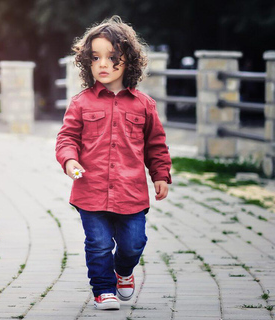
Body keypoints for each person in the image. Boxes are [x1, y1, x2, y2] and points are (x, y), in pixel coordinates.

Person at [55, 16, 171, 310]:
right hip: (90, 192)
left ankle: (123, 271)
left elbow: (155, 144)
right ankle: (103, 290)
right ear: (87, 63)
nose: (103, 64)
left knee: (134, 243)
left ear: (128, 61)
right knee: (98, 244)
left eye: (112, 57)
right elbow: (67, 138)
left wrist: (160, 174)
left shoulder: (144, 105)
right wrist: (70, 161)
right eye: (95, 58)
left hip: (131, 193)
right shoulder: (81, 103)